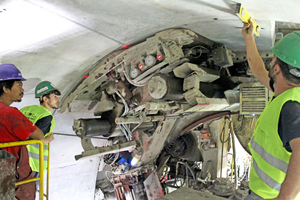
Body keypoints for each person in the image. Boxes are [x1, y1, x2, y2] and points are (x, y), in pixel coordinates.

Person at [242, 23, 300, 199]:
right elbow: (259, 70)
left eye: (273, 59)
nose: (271, 62)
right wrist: (249, 38)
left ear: (276, 69)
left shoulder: (291, 107)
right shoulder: (285, 92)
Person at [0, 63, 54, 200]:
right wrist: (46, 140)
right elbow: (39, 135)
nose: (22, 89)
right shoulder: (10, 113)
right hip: (12, 179)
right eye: (18, 85)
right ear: (6, 88)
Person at [20, 81, 60, 185]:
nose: (58, 100)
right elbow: (34, 138)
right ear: (45, 99)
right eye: (54, 97)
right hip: (33, 165)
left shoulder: (25, 109)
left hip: (17, 159)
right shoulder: (46, 116)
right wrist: (46, 140)